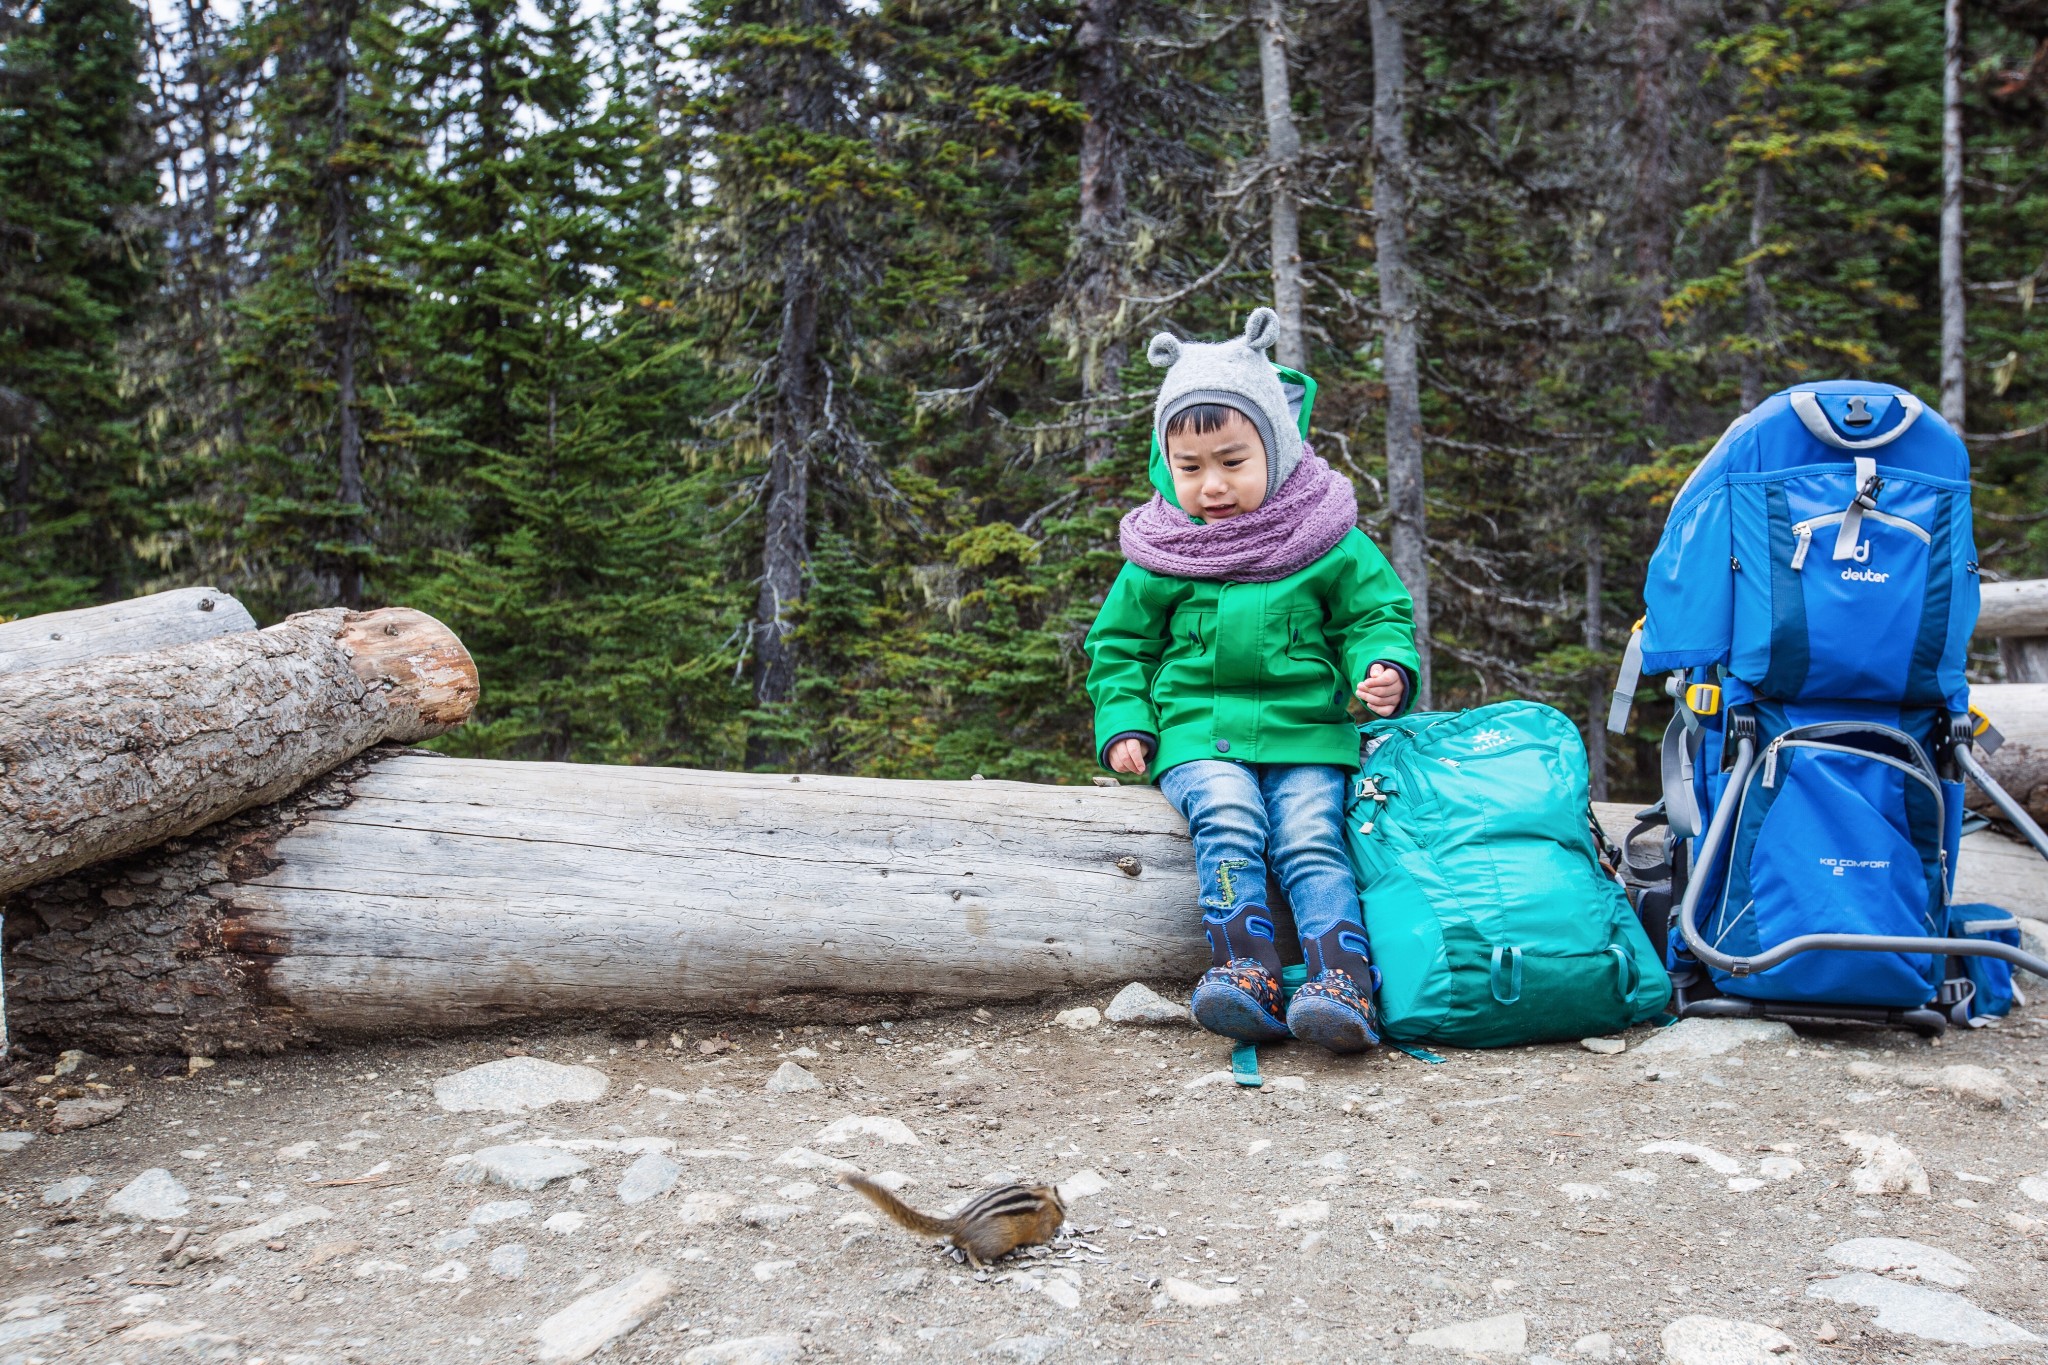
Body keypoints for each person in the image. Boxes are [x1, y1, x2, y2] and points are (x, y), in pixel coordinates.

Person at [1084, 307, 1418, 1052]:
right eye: (1191, 467)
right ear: (1165, 462)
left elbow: (1377, 615)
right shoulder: (1160, 551)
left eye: (1233, 462)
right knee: (1230, 819)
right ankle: (1247, 973)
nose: (1212, 486)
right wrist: (1125, 722)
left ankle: (1342, 983)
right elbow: (1120, 646)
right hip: (1199, 732)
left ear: (1278, 444)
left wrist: (1383, 668)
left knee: (1308, 836)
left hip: (1307, 730)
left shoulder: (1326, 537)